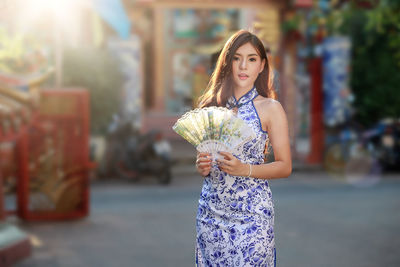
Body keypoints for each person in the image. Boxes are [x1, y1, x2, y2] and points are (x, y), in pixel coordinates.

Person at [195, 30, 292, 266]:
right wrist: (201, 165)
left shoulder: (271, 108)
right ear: (227, 62)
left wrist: (245, 169)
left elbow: (284, 166)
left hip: (253, 216)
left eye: (251, 59)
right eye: (237, 58)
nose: (243, 66)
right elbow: (203, 161)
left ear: (261, 66)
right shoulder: (211, 106)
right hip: (211, 215)